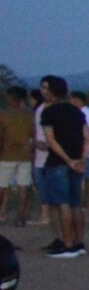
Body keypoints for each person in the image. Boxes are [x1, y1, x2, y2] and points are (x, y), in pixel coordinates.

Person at [34, 77, 89, 258]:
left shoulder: (48, 112)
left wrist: (67, 159)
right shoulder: (76, 111)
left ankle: (68, 244)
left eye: (45, 88)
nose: (42, 91)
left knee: (61, 203)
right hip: (76, 162)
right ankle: (79, 243)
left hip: (58, 163)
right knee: (75, 204)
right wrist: (82, 159)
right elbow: (88, 138)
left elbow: (51, 140)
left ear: (52, 91)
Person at [0, 86, 32, 225]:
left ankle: (1, 212)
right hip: (25, 154)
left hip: (7, 154)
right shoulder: (29, 115)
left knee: (2, 185)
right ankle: (21, 215)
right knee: (23, 185)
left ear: (11, 98)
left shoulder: (4, 115)